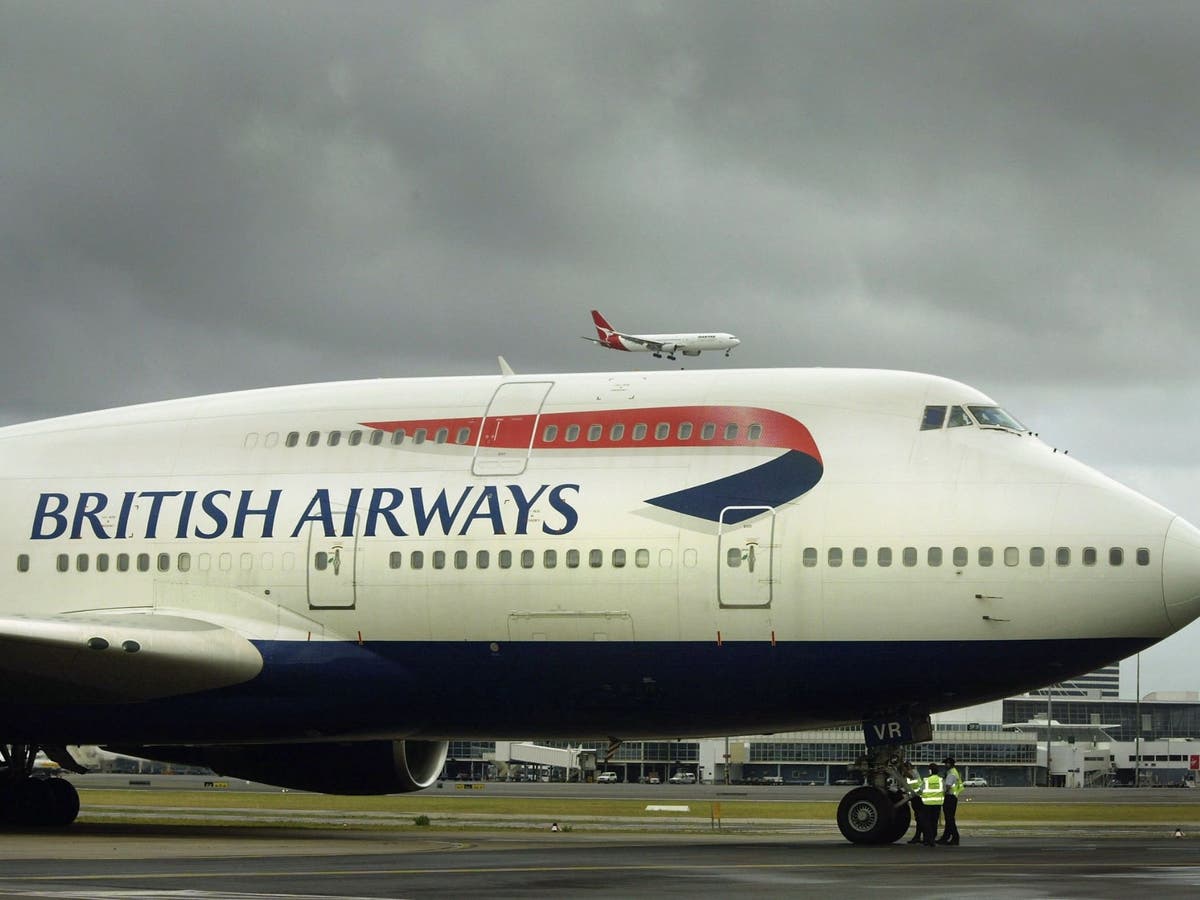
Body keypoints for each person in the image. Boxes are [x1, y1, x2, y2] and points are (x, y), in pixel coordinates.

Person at [918, 763, 944, 847]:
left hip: (927, 804)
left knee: (926, 822)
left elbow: (920, 790)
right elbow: (944, 789)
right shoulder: (941, 780)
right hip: (937, 804)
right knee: (934, 822)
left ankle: (928, 839)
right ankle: (932, 838)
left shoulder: (926, 780)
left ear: (930, 771)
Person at [938, 756, 962, 845]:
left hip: (949, 797)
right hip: (952, 797)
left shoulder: (951, 773)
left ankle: (955, 837)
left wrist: (943, 794)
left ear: (950, 764)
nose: (945, 765)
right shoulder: (952, 772)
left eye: (946, 763)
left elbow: (948, 786)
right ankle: (946, 837)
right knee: (949, 819)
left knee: (949, 819)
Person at [902, 761, 926, 844]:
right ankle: (919, 836)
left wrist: (901, 769)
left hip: (917, 797)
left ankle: (921, 836)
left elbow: (910, 776)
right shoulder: (911, 773)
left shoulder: (913, 772)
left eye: (905, 767)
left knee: (920, 818)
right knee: (918, 818)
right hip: (914, 797)